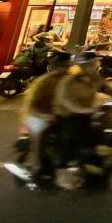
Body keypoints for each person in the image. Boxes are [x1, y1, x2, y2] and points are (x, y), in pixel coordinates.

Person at [53, 50, 112, 166]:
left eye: (93, 64)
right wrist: (80, 110)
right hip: (67, 115)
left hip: (87, 114)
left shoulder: (94, 79)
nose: (91, 67)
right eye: (88, 65)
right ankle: (63, 168)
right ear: (81, 66)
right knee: (72, 142)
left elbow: (107, 89)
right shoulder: (69, 80)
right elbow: (64, 100)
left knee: (102, 135)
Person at [19, 51, 72, 182]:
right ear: (53, 67)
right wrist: (46, 115)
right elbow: (33, 104)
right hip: (40, 116)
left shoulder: (71, 81)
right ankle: (35, 166)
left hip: (63, 116)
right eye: (61, 66)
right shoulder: (44, 82)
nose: (64, 69)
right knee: (40, 136)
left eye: (66, 66)